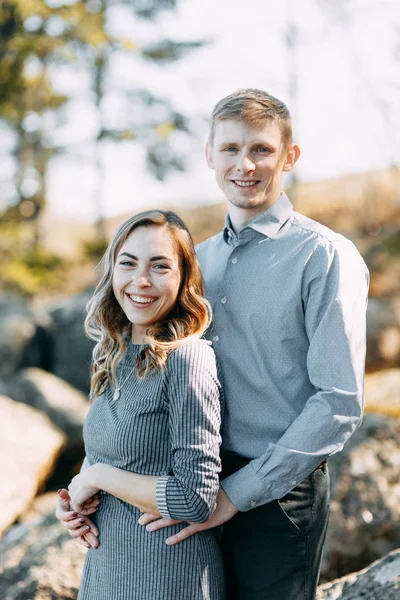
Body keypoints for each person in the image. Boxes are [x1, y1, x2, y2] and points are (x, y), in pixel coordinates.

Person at [137, 89, 369, 599]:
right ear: (209, 156)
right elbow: (150, 374)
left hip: (279, 495)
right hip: (189, 480)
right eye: (230, 149)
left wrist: (236, 495)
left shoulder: (325, 256)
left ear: (289, 157)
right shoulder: (193, 261)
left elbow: (339, 402)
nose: (245, 164)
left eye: (262, 150)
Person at [57, 210, 226, 600]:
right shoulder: (111, 354)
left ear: (184, 278)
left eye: (160, 266)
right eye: (128, 263)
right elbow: (105, 458)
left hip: (167, 576)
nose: (141, 280)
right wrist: (73, 502)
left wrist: (97, 477)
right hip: (105, 573)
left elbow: (196, 498)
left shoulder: (188, 358)